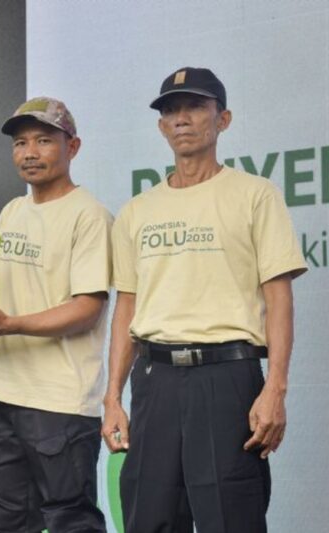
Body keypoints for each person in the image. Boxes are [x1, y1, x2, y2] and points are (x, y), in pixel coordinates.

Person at [101, 67, 307, 533]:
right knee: (148, 518)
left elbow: (279, 299)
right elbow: (126, 309)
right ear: (161, 126)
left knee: (230, 517)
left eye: (195, 107)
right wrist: (113, 397)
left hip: (227, 379)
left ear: (223, 119)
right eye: (171, 111)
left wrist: (275, 388)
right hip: (153, 382)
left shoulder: (255, 195)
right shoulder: (137, 211)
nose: (182, 119)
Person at [0, 97, 111, 532]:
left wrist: (9, 325)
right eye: (20, 143)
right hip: (5, 394)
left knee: (70, 522)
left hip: (60, 403)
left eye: (43, 141)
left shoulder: (89, 215)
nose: (29, 153)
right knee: (5, 524)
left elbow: (88, 309)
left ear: (73, 147)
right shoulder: (12, 211)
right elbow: (2, 293)